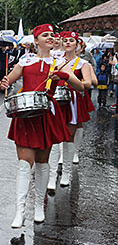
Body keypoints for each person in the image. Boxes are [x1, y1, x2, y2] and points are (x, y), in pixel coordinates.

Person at [0, 24, 83, 227]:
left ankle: (38, 206)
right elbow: (10, 79)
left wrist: (63, 76)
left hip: (46, 114)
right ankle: (19, 212)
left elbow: (80, 87)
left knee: (43, 163)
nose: (50, 38)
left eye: (51, 35)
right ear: (36, 40)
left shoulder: (61, 62)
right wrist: (5, 83)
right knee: (23, 164)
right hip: (26, 116)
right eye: (45, 35)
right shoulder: (26, 60)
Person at [47, 31, 92, 191]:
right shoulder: (55, 60)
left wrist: (71, 79)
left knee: (68, 138)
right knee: (53, 138)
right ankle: (51, 177)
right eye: (65, 40)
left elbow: (87, 83)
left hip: (72, 100)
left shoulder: (83, 63)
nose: (67, 43)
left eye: (71, 41)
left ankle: (66, 173)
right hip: (56, 100)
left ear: (77, 44)